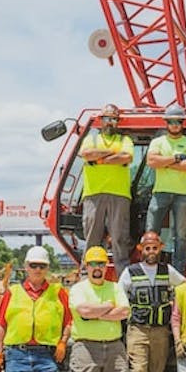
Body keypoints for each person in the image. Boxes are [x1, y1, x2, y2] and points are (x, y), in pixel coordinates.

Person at [118, 230, 186, 372]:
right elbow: (120, 296)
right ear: (141, 249)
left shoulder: (168, 271)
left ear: (160, 248)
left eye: (154, 248)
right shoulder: (130, 272)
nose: (151, 251)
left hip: (160, 332)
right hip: (138, 330)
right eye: (147, 248)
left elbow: (185, 288)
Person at [78, 103, 134, 274]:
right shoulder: (89, 139)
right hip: (93, 194)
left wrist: (99, 159)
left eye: (114, 119)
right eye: (107, 119)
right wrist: (111, 155)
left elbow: (126, 156)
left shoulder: (125, 140)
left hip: (120, 194)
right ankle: (87, 276)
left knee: (119, 238)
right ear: (101, 121)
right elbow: (86, 154)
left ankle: (123, 279)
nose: (110, 122)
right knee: (92, 238)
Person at [146, 104, 186, 272]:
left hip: (183, 195)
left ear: (182, 123)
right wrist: (177, 159)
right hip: (160, 192)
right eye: (171, 121)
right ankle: (149, 267)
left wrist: (166, 163)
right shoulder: (157, 142)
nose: (175, 124)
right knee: (150, 234)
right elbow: (151, 161)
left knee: (181, 236)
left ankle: (178, 272)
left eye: (178, 121)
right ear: (166, 123)